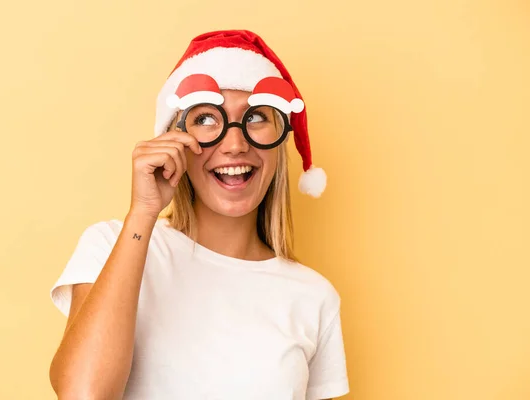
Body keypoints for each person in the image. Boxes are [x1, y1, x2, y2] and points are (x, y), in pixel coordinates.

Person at [49, 30, 349, 400]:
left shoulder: (314, 297)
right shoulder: (111, 244)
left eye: (255, 117)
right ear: (174, 139)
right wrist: (143, 212)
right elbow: (82, 395)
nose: (235, 145)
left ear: (279, 139)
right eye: (207, 119)